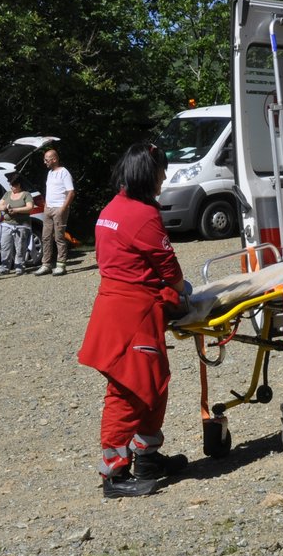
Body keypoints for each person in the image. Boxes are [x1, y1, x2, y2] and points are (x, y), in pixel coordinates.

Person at [77, 144, 189, 498]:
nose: (164, 177)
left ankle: (147, 458)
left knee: (154, 386)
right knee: (128, 393)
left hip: (119, 309)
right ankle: (115, 474)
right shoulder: (142, 215)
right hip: (133, 316)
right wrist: (182, 293)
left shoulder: (111, 208)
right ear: (146, 173)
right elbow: (170, 271)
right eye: (161, 171)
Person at [35, 146, 75, 276]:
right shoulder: (50, 173)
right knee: (45, 237)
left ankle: (61, 265)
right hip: (49, 209)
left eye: (47, 159)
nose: (44, 162)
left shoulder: (64, 172)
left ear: (54, 159)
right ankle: (46, 264)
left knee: (59, 237)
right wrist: (46, 205)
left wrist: (63, 209)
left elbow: (71, 192)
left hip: (59, 209)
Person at [0, 173, 34, 275]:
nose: (12, 187)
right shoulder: (7, 194)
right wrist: (5, 207)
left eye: (14, 185)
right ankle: (4, 267)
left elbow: (30, 207)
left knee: (20, 248)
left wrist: (16, 210)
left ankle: (19, 267)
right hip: (7, 225)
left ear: (19, 185)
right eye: (11, 185)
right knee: (5, 247)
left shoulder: (26, 194)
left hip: (21, 226)